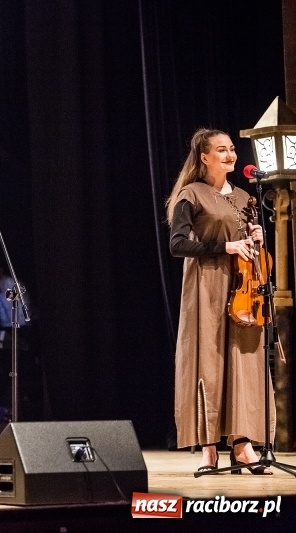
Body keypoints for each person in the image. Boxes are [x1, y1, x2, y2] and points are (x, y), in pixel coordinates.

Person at [167, 128, 275, 474]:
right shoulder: (191, 194)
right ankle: (209, 448)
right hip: (207, 287)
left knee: (243, 363)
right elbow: (178, 245)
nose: (230, 155)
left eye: (231, 149)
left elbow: (253, 250)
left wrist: (257, 239)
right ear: (204, 157)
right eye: (221, 150)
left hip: (245, 289)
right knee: (208, 363)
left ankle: (243, 445)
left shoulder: (246, 197)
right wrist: (225, 247)